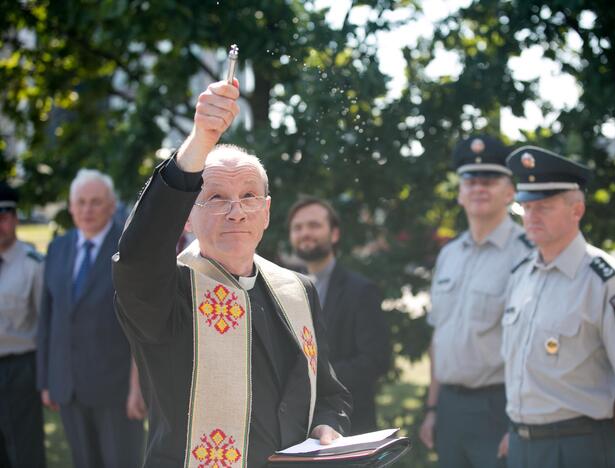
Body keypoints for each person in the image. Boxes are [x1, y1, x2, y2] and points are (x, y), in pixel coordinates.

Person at [112, 79, 351, 467]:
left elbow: (328, 394)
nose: (236, 211)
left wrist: (327, 425)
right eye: (217, 198)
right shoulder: (167, 291)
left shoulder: (297, 289)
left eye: (248, 197)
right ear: (187, 216)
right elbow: (138, 256)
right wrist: (199, 142)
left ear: (267, 212)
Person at [500, 146, 615, 468]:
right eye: (526, 207)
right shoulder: (521, 275)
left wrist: (602, 438)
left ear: (577, 211)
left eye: (544, 206)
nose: (531, 216)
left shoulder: (605, 280)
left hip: (578, 449)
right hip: (521, 444)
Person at [419, 136, 533, 467]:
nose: (479, 188)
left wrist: (520, 423)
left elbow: (533, 348)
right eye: (470, 180)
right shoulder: (450, 253)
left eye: (490, 180)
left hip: (501, 408)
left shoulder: (527, 253)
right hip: (450, 409)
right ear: (459, 192)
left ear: (510, 191)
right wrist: (432, 409)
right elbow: (439, 339)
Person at [37, 170, 145, 468]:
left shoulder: (129, 249)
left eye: (95, 202)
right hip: (68, 385)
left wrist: (139, 388)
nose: (87, 210)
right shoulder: (57, 249)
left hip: (117, 391)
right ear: (70, 207)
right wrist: (46, 379)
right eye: (80, 202)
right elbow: (48, 318)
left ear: (111, 205)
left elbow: (141, 323)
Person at [287, 196, 391, 435]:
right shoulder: (285, 288)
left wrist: (312, 378)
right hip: (295, 429)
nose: (305, 233)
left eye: (314, 225)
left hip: (350, 426)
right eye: (298, 227)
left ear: (334, 234)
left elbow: (375, 361)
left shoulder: (361, 291)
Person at [0, 182, 46, 468]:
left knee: (24, 452)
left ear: (15, 218)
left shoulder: (33, 265)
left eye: (3, 217)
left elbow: (45, 327)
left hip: (20, 371)